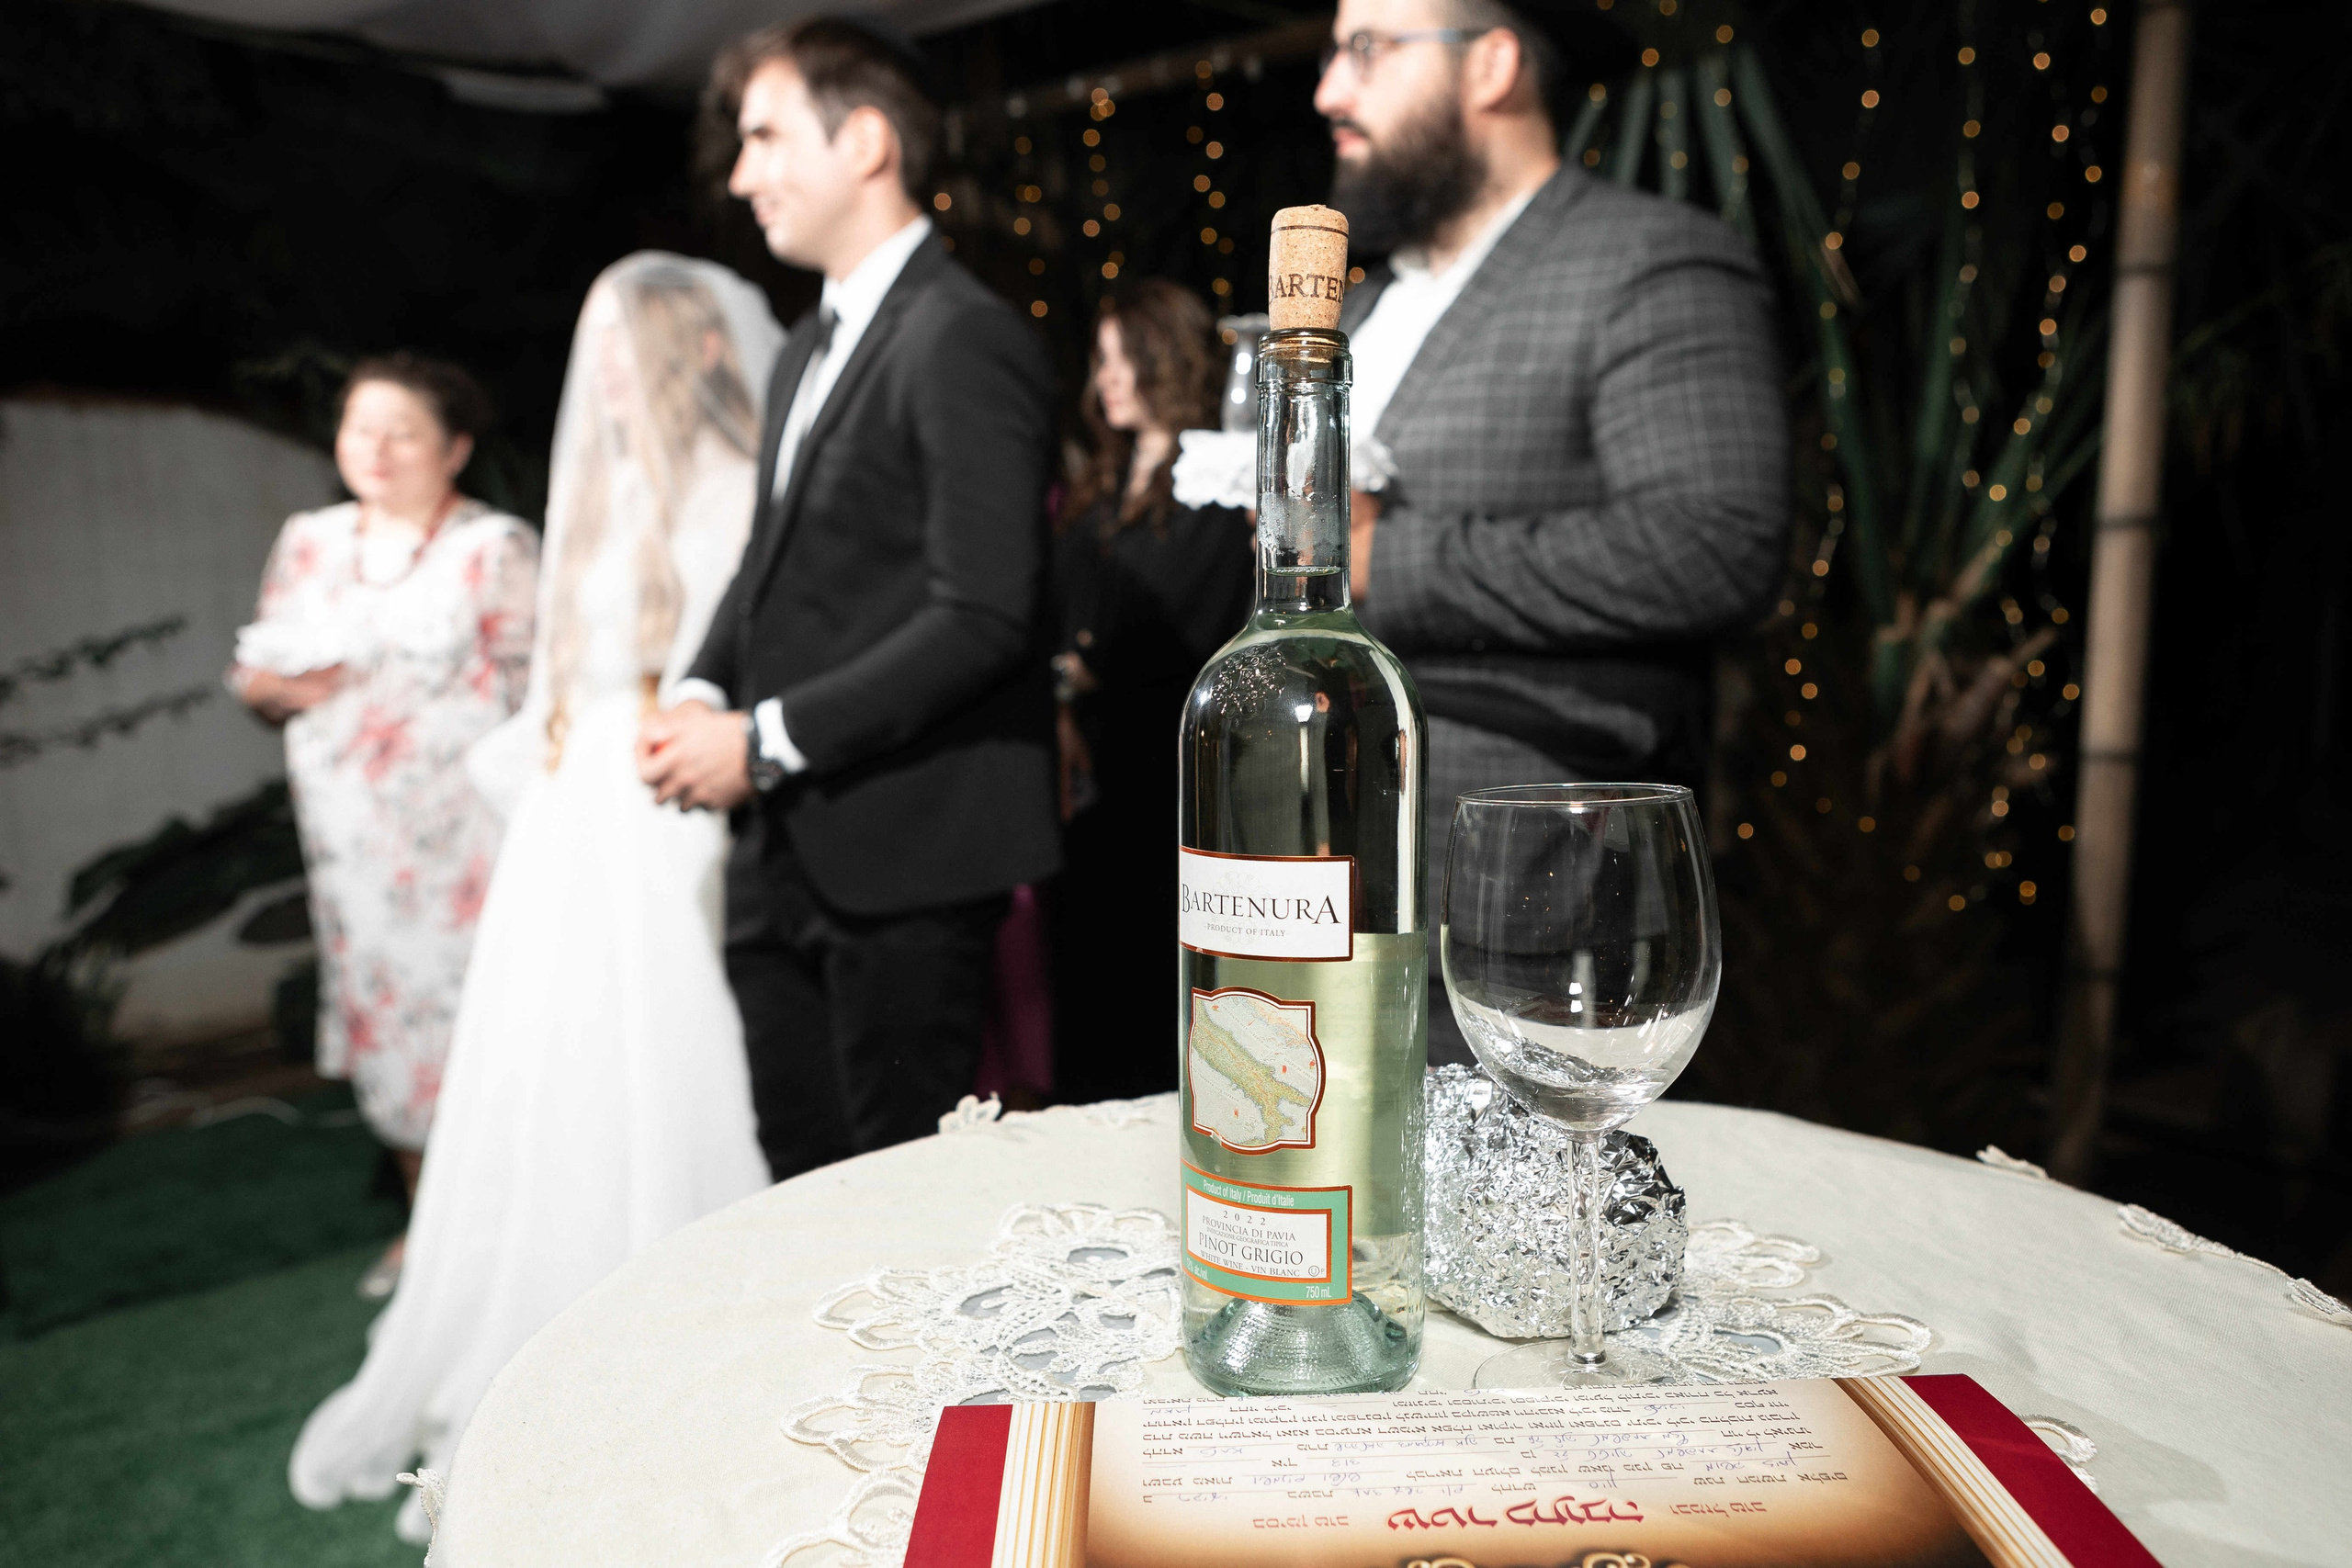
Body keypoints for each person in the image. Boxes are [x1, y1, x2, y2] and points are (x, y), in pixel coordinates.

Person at [288, 254, 782, 1543]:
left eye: (622, 346)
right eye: (592, 347)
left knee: (673, 1069)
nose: (602, 370)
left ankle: (712, 1324)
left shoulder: (736, 483)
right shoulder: (599, 490)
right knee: (555, 1077)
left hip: (674, 801)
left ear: (684, 352)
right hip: (578, 818)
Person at [1313, 0, 1790, 1057]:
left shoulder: (1649, 262)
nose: (1328, 91)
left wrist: (1396, 557)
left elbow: (1717, 543)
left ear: (1490, 66)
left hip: (1520, 879)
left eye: (1364, 51)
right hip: (1308, 845)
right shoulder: (1359, 307)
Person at [639, 17, 1059, 1179]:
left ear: (865, 140)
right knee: (799, 1188)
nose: (741, 175)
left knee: (895, 1209)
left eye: (766, 136)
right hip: (783, 857)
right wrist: (695, 691)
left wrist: (762, 742)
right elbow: (763, 565)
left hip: (909, 856)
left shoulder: (962, 337)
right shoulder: (797, 351)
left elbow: (982, 615)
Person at [229, 355, 536, 1292]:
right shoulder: (311, 541)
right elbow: (256, 673)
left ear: (456, 448)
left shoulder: (496, 546)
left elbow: (540, 689)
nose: (378, 449)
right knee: (391, 1021)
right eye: (362, 428)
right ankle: (426, 1230)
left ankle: (523, 1223)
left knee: (489, 1016)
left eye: (403, 430)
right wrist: (274, 688)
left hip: (470, 833)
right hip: (353, 838)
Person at [1051, 282, 1254, 1102]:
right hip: (1087, 769)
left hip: (1168, 769)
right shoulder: (1100, 484)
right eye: (1101, 360)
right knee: (1085, 977)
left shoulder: (1215, 480)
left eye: (1125, 356)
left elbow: (1198, 623)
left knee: (1152, 977)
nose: (1110, 377)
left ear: (1166, 357)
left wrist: (1087, 669)